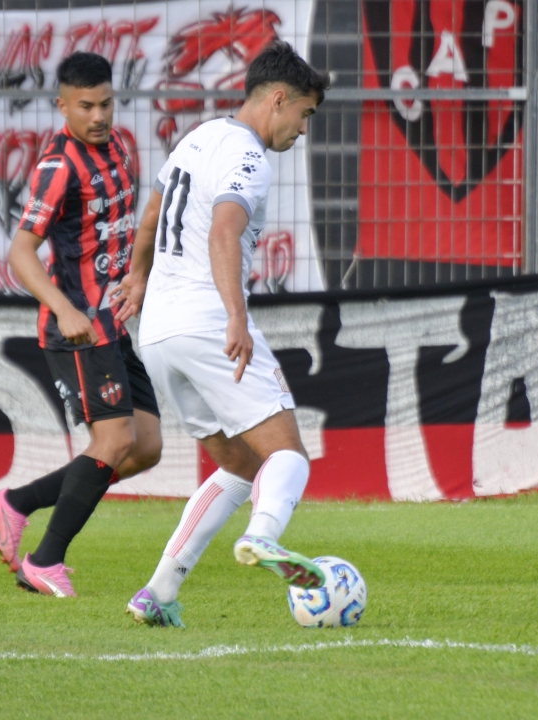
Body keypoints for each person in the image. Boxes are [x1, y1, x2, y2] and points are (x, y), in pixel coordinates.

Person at [110, 41, 328, 628]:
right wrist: (236, 315)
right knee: (287, 454)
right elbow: (224, 232)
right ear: (278, 99)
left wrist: (137, 278)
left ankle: (158, 591)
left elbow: (152, 214)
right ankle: (266, 538)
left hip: (157, 331)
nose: (302, 131)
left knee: (237, 463)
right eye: (304, 115)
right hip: (207, 320)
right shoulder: (250, 158)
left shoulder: (198, 137)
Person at [0, 52, 163, 598]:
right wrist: (63, 307)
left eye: (106, 103)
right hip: (77, 328)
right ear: (62, 106)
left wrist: (138, 275)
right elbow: (21, 252)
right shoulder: (58, 167)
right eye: (86, 106)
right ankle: (44, 561)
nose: (99, 115)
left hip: (114, 320)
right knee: (112, 440)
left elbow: (126, 224)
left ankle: (13, 503)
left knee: (146, 446)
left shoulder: (122, 146)